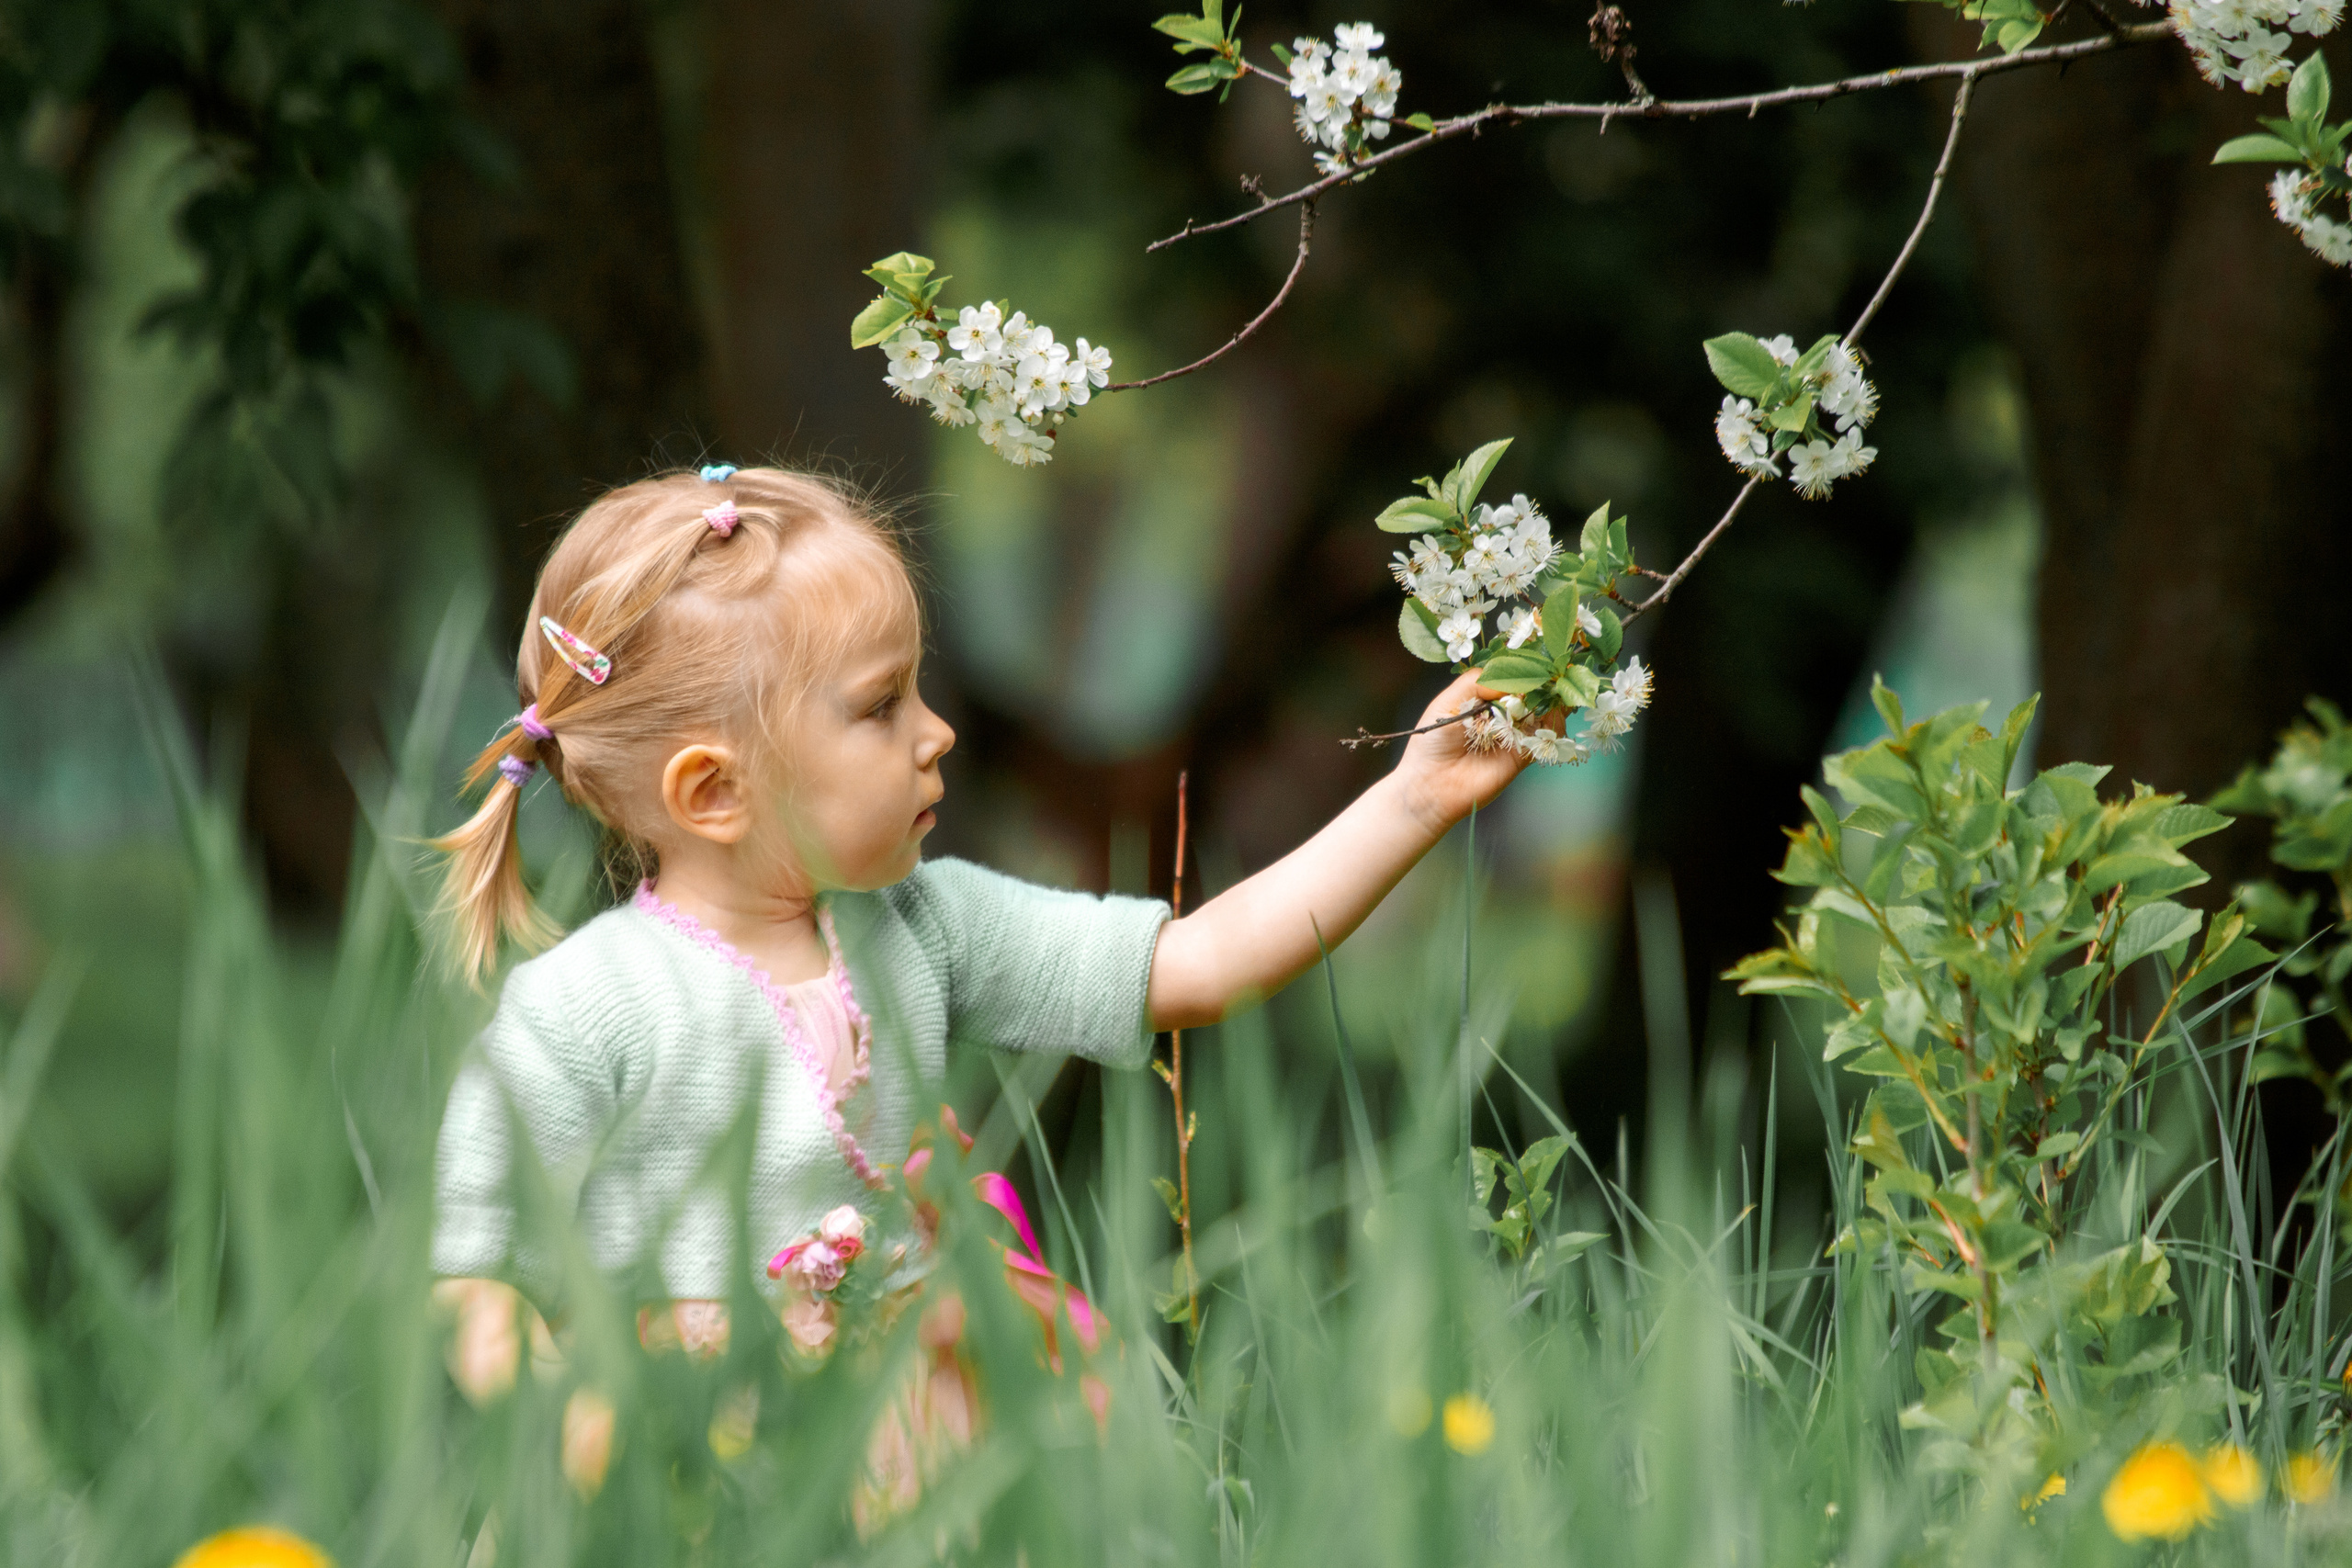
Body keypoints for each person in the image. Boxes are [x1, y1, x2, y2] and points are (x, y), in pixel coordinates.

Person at [426, 463, 1540, 1490]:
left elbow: (1197, 964)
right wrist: (586, 1419)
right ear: (713, 793)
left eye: (919, 693)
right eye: (881, 707)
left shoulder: (927, 924)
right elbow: (479, 1272)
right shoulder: (587, 1004)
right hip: (705, 1443)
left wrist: (1415, 799)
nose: (939, 733)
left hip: (918, 1418)